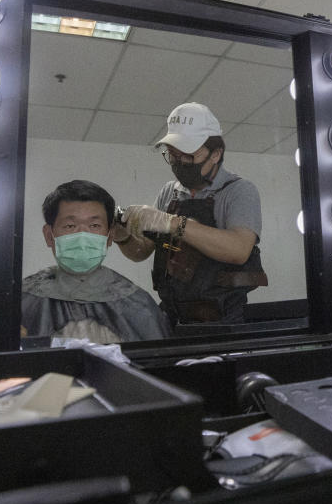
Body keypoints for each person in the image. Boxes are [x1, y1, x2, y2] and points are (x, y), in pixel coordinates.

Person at [113, 102, 267, 325]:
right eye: (173, 156)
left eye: (188, 156)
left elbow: (239, 249)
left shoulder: (239, 191)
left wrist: (173, 223)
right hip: (172, 315)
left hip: (221, 319)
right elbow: (142, 251)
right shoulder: (169, 192)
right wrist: (123, 235)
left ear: (216, 154)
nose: (179, 163)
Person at [21, 180, 170, 343]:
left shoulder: (140, 306)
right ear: (49, 235)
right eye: (70, 226)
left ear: (110, 236)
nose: (83, 236)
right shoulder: (22, 302)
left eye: (94, 225)